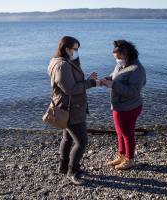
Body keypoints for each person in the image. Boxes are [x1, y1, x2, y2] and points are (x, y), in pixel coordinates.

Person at [47, 36, 99, 184]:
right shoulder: (62, 65)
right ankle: (72, 171)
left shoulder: (58, 61)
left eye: (77, 48)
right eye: (74, 49)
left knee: (68, 138)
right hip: (71, 109)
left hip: (66, 107)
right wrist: (91, 83)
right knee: (82, 142)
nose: (76, 51)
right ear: (66, 49)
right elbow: (70, 89)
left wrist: (86, 80)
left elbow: (70, 84)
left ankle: (63, 167)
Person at [101, 40, 146, 170]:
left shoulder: (137, 69)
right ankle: (121, 155)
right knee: (119, 132)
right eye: (116, 58)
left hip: (129, 107)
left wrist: (113, 85)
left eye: (119, 58)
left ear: (126, 54)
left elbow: (133, 91)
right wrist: (107, 80)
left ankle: (130, 159)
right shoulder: (123, 65)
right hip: (119, 105)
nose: (117, 60)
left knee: (127, 134)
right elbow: (115, 76)